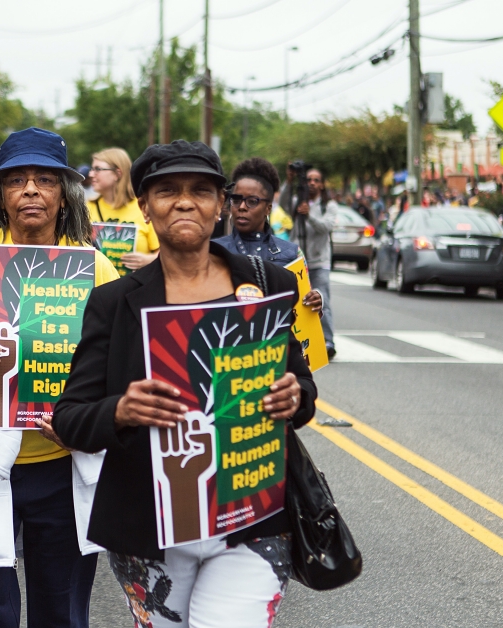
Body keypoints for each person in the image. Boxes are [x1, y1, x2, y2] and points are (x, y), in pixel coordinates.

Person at [51, 140, 317, 628]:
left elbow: (302, 389)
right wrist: (120, 411)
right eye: (167, 190)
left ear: (221, 204)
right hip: (150, 530)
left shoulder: (268, 285)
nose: (185, 201)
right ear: (146, 207)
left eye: (201, 190)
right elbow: (70, 419)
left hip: (250, 520)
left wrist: (295, 395)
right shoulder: (113, 303)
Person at [0, 127, 119, 627]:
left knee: (61, 608)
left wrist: (87, 417)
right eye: (17, 180)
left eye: (44, 180)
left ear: (64, 195)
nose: (31, 190)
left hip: (60, 460)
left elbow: (118, 362)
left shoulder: (94, 269)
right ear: (1, 196)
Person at [215, 157, 323, 310]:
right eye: (236, 200)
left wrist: (314, 301)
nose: (242, 207)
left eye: (252, 201)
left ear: (268, 208)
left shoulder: (292, 254)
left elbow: (303, 313)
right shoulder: (213, 250)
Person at [283, 167, 338, 359]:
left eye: (316, 180)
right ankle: (298, 339)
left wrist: (309, 216)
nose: (312, 183)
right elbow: (282, 204)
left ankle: (328, 341)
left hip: (319, 261)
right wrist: (288, 182)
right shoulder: (297, 201)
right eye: (309, 179)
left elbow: (326, 227)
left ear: (322, 184)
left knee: (322, 300)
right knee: (297, 301)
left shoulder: (328, 206)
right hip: (298, 261)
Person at [89, 147, 160, 271]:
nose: (91, 174)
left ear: (118, 174)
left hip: (135, 287)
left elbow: (165, 253)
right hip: (98, 287)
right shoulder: (85, 209)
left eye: (98, 169)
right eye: (92, 169)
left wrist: (148, 260)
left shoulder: (143, 207)